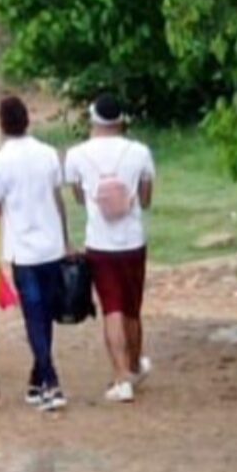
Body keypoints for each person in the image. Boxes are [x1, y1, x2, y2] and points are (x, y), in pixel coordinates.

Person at [64, 94, 156, 404]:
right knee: (132, 308)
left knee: (112, 308)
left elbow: (77, 196)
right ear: (121, 120)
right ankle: (134, 364)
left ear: (93, 119)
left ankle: (121, 378)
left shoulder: (77, 154)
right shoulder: (140, 152)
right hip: (133, 240)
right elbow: (146, 199)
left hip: (100, 243)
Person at [0, 96, 71, 411]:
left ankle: (51, 381)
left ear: (1, 124)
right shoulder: (48, 154)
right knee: (44, 316)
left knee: (34, 317)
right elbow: (58, 200)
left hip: (23, 250)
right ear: (27, 120)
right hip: (51, 245)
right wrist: (66, 240)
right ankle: (37, 380)